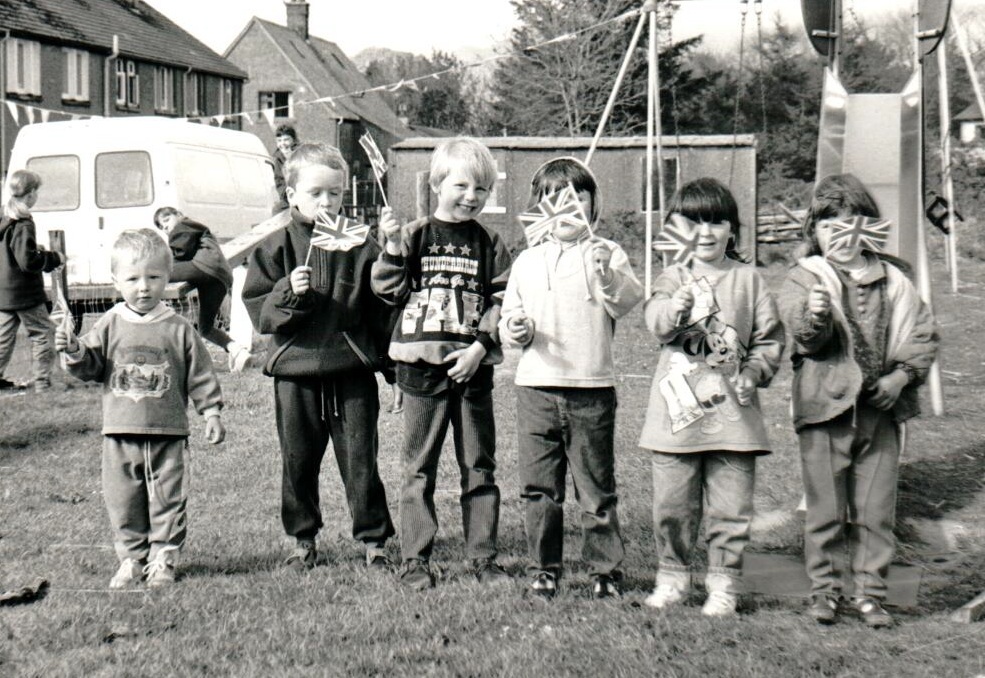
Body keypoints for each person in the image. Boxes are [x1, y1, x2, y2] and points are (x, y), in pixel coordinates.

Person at [778, 173, 939, 628]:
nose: (842, 237)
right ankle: (824, 592)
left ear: (869, 228)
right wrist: (814, 316)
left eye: (852, 225)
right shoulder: (805, 277)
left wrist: (901, 377)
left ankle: (871, 593)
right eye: (830, 227)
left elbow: (922, 334)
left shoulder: (894, 280)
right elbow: (806, 338)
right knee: (825, 511)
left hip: (878, 413)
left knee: (874, 511)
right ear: (815, 232)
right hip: (824, 410)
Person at [242, 142, 395, 572]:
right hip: (296, 374)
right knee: (298, 460)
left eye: (335, 194)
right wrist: (289, 289)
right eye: (315, 193)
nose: (326, 202)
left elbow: (383, 307)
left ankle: (374, 540)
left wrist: (393, 369)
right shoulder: (274, 247)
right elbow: (262, 315)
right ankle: (302, 539)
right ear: (292, 194)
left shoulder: (360, 242)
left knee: (361, 460)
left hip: (351, 373)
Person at [499, 157, 644, 600]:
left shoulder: (607, 252)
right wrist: (516, 329)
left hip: (592, 390)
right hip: (536, 388)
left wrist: (605, 271)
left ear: (591, 202)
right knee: (540, 487)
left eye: (575, 197)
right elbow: (508, 319)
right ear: (538, 207)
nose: (565, 208)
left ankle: (605, 570)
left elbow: (626, 300)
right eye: (552, 199)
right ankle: (544, 567)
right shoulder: (527, 260)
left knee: (596, 488)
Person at [372, 137, 513, 590]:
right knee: (418, 467)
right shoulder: (412, 235)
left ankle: (483, 557)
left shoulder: (491, 242)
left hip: (472, 371)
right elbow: (388, 291)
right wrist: (392, 248)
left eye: (482, 190)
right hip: (421, 371)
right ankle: (415, 557)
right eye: (462, 185)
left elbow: (503, 300)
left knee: (479, 465)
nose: (471, 196)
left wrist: (479, 348)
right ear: (437, 183)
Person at [639, 178, 784, 617]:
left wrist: (755, 372)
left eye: (716, 221)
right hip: (676, 417)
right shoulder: (672, 276)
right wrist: (675, 307)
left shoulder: (749, 279)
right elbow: (656, 322)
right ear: (674, 227)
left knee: (731, 508)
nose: (705, 231)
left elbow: (769, 339)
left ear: (732, 229)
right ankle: (673, 576)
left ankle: (723, 583)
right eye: (693, 221)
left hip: (734, 420)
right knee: (672, 505)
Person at [54, 228, 225, 588]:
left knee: (169, 496)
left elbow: (200, 374)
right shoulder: (110, 323)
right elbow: (91, 365)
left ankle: (163, 556)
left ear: (169, 278)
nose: (143, 287)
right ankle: (131, 558)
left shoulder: (179, 328)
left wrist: (211, 411)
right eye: (133, 279)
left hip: (168, 432)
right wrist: (72, 350)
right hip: (119, 431)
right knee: (123, 498)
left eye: (153, 277)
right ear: (116, 280)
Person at [153, 207, 252, 372]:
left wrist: (161, 260)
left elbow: (181, 252)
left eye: (166, 221)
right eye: (162, 228)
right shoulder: (191, 229)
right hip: (219, 278)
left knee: (160, 272)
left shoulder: (185, 225)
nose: (166, 228)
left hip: (206, 267)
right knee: (205, 328)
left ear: (179, 214)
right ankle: (237, 351)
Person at [0, 169, 65, 392]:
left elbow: (12, 252)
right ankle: (42, 383)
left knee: (3, 338)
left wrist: (33, 249)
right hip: (25, 292)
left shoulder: (4, 216)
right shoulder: (24, 222)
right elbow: (27, 261)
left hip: (3, 291)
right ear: (31, 194)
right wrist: (53, 258)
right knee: (43, 334)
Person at [272, 125, 299, 213]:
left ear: (294, 140)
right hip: (288, 197)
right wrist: (287, 196)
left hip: (304, 193)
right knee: (277, 210)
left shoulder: (301, 154)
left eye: (286, 140)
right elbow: (279, 182)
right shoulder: (278, 159)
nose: (282, 144)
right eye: (279, 141)